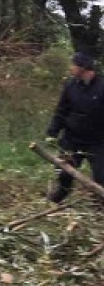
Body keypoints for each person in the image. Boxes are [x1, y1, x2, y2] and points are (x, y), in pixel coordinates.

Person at [45, 51, 104, 203]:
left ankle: (99, 203)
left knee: (101, 177)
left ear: (83, 68)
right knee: (64, 172)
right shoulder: (70, 86)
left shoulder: (102, 86)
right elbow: (61, 111)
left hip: (97, 142)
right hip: (71, 139)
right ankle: (58, 197)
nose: (71, 68)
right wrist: (52, 131)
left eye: (74, 65)